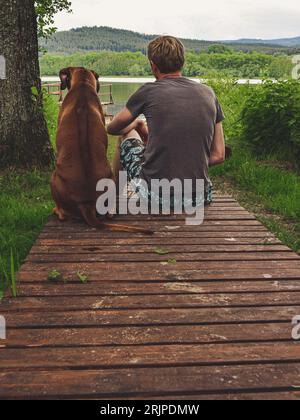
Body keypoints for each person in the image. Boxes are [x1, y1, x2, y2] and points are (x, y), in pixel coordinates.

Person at [107, 35, 225, 208]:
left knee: (127, 134)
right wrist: (185, 161)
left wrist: (138, 124)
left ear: (153, 66)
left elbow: (113, 128)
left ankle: (115, 197)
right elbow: (218, 155)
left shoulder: (148, 91)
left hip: (156, 197)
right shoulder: (209, 93)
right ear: (182, 63)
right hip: (199, 198)